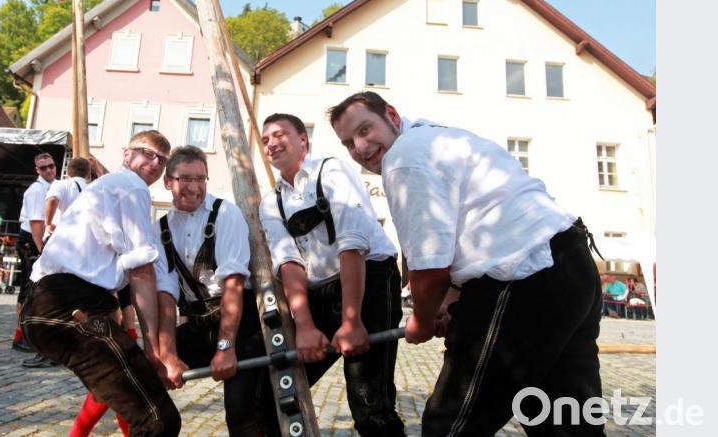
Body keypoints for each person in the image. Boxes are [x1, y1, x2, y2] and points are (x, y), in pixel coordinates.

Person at [329, 91, 605, 436]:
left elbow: (430, 272)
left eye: (365, 130)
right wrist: (451, 299)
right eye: (348, 143)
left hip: (525, 277)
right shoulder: (440, 138)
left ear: (392, 116)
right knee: (566, 424)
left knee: (451, 426)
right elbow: (467, 233)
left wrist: (422, 319)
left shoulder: (403, 158)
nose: (360, 147)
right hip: (572, 262)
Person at [20, 130, 182, 436]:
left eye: (162, 159)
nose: (155, 162)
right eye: (147, 153)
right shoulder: (130, 187)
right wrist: (153, 351)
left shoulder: (105, 188)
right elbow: (141, 272)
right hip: (64, 305)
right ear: (126, 154)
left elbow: (109, 280)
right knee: (157, 421)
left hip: (53, 306)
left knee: (125, 395)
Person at [258, 113, 405, 436]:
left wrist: (352, 322)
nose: (271, 144)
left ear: (302, 140)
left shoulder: (331, 170)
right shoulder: (271, 203)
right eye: (266, 140)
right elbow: (289, 263)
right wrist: (305, 326)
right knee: (274, 394)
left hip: (370, 280)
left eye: (279, 135)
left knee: (369, 404)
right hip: (320, 292)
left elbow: (352, 245)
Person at [153, 145, 280, 436]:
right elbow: (166, 294)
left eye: (200, 178)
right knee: (142, 374)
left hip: (241, 325)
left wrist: (226, 347)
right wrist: (168, 353)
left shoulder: (226, 214)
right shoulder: (159, 228)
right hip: (198, 325)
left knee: (243, 415)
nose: (194, 187)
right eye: (185, 178)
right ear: (167, 182)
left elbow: (234, 283)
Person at [12, 153, 56, 356]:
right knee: (28, 289)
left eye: (51, 166)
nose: (49, 170)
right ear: (37, 170)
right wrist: (41, 252)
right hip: (31, 240)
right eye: (44, 167)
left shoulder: (53, 187)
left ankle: (30, 334)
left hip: (40, 239)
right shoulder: (37, 191)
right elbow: (36, 222)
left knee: (36, 290)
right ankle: (20, 335)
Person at [44, 157, 91, 238]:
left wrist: (48, 223)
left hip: (61, 235)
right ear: (87, 173)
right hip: (83, 237)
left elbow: (52, 200)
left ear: (68, 172)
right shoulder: (92, 188)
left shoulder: (60, 184)